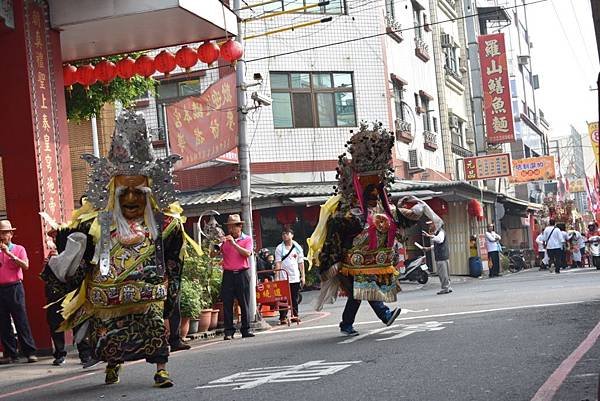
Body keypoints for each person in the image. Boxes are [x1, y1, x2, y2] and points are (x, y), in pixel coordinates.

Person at [53, 111, 191, 387]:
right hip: (110, 297)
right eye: (123, 191)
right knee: (111, 337)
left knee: (154, 329)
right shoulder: (96, 224)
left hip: (148, 295)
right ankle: (113, 364)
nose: (130, 198)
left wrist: (170, 297)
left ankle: (161, 369)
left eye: (138, 191)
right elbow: (77, 257)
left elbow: (174, 263)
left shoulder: (165, 225)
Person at [307, 124, 442, 336]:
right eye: (370, 192)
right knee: (362, 291)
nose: (374, 196)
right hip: (354, 263)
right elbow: (336, 233)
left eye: (376, 192)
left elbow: (404, 218)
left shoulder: (384, 210)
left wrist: (421, 208)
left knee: (358, 294)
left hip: (374, 262)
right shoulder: (351, 213)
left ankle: (347, 324)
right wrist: (330, 260)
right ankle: (384, 315)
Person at [41, 233, 97, 367]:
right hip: (56, 296)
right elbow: (45, 277)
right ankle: (60, 354)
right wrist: (48, 265)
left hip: (75, 295)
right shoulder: (54, 258)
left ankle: (85, 354)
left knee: (79, 322)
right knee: (55, 324)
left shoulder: (82, 260)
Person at [0, 220, 37, 364]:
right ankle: (10, 353)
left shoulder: (18, 249)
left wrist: (9, 254)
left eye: (5, 233)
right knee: (3, 322)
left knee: (21, 320)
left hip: (14, 287)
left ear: (11, 234)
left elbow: (26, 266)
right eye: (0, 233)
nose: (2, 236)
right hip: (0, 289)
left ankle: (30, 352)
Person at [216, 214, 254, 340]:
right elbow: (212, 254)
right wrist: (216, 244)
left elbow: (247, 253)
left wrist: (234, 244)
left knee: (244, 303)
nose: (230, 230)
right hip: (228, 274)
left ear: (240, 227)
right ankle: (228, 331)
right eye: (229, 227)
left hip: (242, 273)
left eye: (233, 227)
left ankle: (246, 329)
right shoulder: (225, 241)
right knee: (227, 303)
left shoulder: (247, 239)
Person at [275, 228, 305, 324]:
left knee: (294, 298)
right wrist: (277, 276)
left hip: (295, 276)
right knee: (283, 298)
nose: (285, 236)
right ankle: (282, 317)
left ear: (292, 235)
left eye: (287, 233)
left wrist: (303, 276)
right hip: (284, 277)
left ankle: (295, 315)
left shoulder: (297, 248)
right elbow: (278, 263)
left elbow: (301, 263)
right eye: (283, 234)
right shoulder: (279, 248)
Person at [422, 221, 452, 294]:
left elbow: (439, 240)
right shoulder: (438, 233)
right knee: (445, 273)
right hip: (443, 255)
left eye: (431, 225)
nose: (429, 226)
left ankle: (445, 288)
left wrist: (429, 236)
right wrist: (429, 248)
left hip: (441, 256)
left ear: (436, 225)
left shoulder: (440, 232)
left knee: (443, 273)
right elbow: (437, 244)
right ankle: (448, 287)